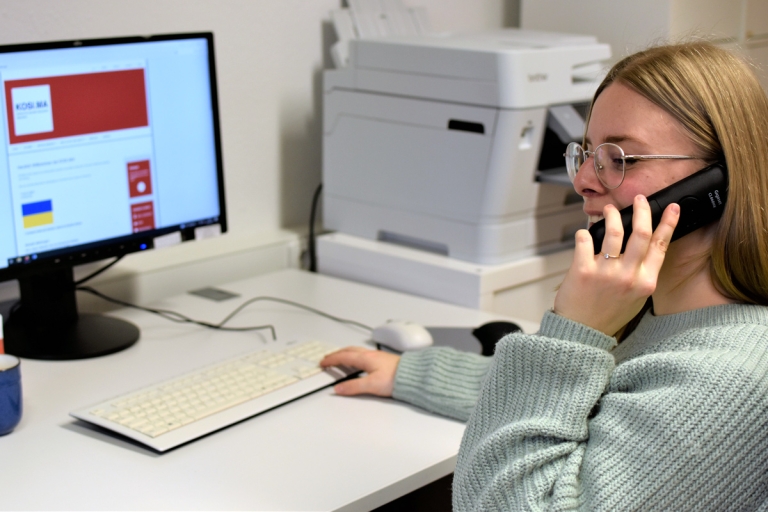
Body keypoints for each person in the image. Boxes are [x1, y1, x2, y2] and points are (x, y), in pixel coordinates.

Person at [321, 41, 768, 511]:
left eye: (619, 159)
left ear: (716, 183)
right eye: (589, 153)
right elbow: (577, 400)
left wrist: (574, 334)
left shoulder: (726, 380)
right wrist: (413, 372)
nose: (584, 181)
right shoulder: (664, 318)